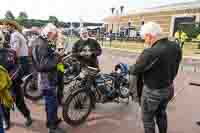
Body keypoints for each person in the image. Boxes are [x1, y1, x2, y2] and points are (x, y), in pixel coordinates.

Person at [129, 22, 182, 133]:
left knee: (147, 119)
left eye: (144, 38)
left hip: (153, 91)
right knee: (161, 113)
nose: (145, 40)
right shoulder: (175, 46)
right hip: (168, 88)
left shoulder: (151, 52)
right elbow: (177, 65)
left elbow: (135, 69)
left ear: (149, 35)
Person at [31, 23, 64, 133]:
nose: (54, 38)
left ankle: (51, 120)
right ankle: (52, 127)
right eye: (54, 36)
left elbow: (42, 60)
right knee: (51, 103)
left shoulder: (39, 41)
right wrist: (58, 55)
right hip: (47, 78)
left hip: (44, 77)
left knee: (50, 102)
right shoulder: (42, 44)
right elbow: (44, 65)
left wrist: (53, 54)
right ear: (49, 33)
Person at [3, 20, 32, 129]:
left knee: (17, 98)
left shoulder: (15, 35)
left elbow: (14, 52)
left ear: (11, 26)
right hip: (15, 67)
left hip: (16, 68)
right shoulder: (17, 34)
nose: (6, 28)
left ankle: (27, 116)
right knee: (5, 101)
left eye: (7, 26)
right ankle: (7, 120)